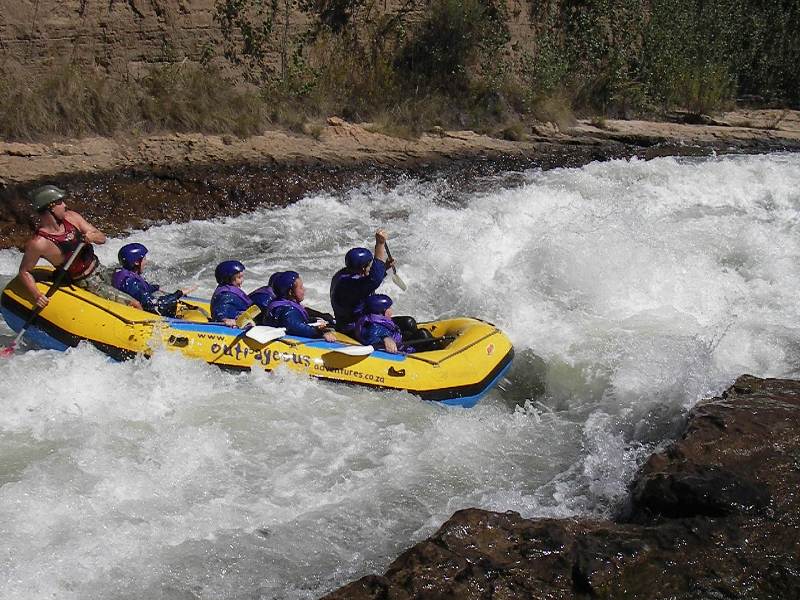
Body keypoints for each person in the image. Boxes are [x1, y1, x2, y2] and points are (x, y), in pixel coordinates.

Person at [18, 184, 141, 309]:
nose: (65, 205)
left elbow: (102, 238)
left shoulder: (72, 217)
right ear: (51, 208)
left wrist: (93, 237)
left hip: (101, 269)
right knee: (134, 304)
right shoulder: (39, 243)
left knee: (138, 286)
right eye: (60, 202)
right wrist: (37, 295)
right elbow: (24, 271)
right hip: (86, 282)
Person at [329, 228, 394, 333]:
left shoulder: (344, 275)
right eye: (370, 265)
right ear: (363, 268)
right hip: (357, 328)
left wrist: (384, 268)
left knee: (408, 322)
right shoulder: (349, 284)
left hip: (350, 322)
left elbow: (365, 283)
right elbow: (373, 280)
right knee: (408, 323)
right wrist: (380, 244)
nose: (371, 267)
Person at [112, 243, 196, 317]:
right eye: (144, 259)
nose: (146, 262)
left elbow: (141, 291)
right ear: (136, 262)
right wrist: (180, 293)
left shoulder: (123, 275)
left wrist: (156, 287)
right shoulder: (130, 282)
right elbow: (156, 305)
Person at [267, 271, 336, 342]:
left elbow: (297, 320)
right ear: (290, 292)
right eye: (300, 287)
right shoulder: (288, 310)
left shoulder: (278, 302)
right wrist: (322, 332)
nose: (304, 289)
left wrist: (315, 320)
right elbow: (297, 327)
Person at [211, 260, 254, 326]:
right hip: (233, 328)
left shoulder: (229, 290)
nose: (242, 280)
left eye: (242, 277)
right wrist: (225, 320)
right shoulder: (226, 295)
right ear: (227, 279)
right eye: (239, 277)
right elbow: (221, 311)